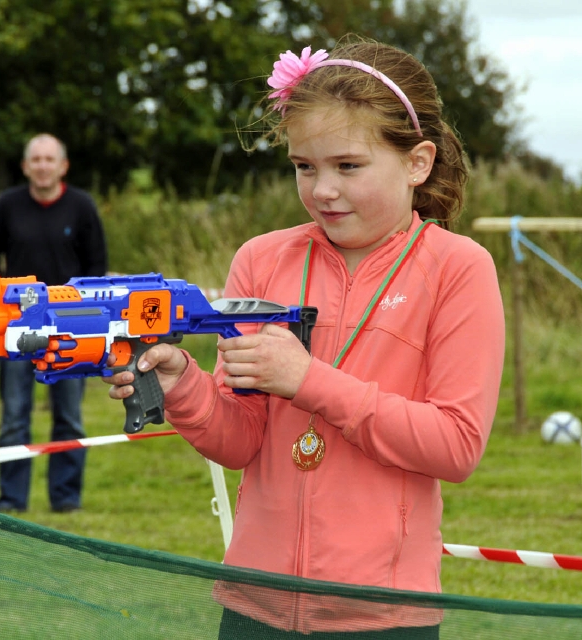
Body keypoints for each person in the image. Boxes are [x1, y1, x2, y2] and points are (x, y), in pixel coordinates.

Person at [107, 36, 505, 638]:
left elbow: (455, 445)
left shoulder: (459, 268)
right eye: (304, 167)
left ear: (417, 163)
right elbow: (240, 441)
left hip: (381, 615)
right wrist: (181, 384)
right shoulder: (261, 259)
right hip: (254, 606)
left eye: (348, 166)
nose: (323, 189)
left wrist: (308, 380)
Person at [0, 133, 108, 514]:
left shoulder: (82, 207)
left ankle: (66, 499)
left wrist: (89, 320)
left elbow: (96, 267)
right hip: (15, 326)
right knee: (14, 419)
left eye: (49, 159)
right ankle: (11, 500)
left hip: (68, 328)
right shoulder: (6, 206)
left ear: (62, 166)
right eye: (35, 159)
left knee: (69, 418)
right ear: (25, 166)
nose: (42, 166)